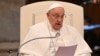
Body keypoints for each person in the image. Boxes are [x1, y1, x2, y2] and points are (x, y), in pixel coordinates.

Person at [19, 3, 92, 56]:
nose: (59, 20)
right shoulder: (35, 30)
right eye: (56, 16)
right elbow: (27, 53)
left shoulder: (72, 31)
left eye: (62, 16)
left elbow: (85, 52)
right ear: (48, 15)